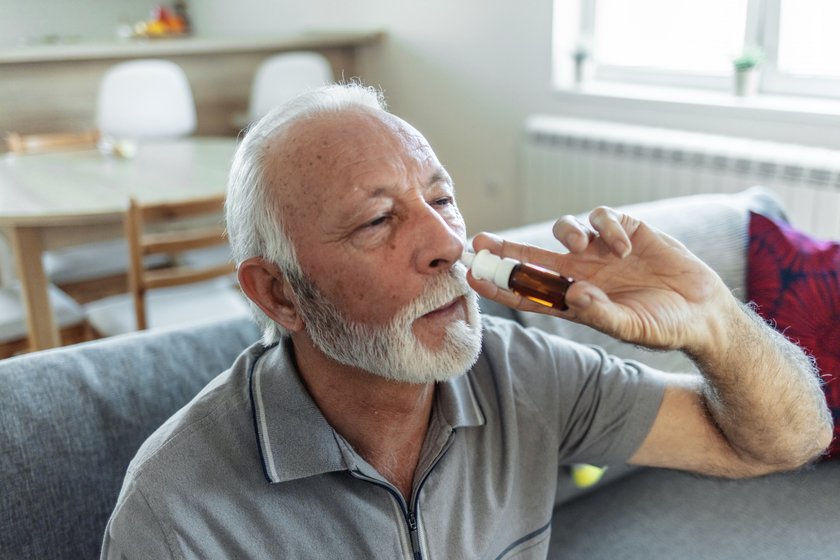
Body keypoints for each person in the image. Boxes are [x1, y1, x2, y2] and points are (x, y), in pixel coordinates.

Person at [101, 83, 831, 559]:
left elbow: (789, 441)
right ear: (279, 295)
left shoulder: (523, 373)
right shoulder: (176, 518)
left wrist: (716, 324)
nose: (449, 246)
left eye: (442, 199)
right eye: (380, 220)